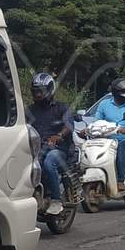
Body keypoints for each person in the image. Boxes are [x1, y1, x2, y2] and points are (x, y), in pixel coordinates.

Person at [26, 71, 74, 216]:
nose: (38, 95)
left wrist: (58, 135)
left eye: (41, 91)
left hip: (59, 149)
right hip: (36, 148)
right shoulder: (30, 110)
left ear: (50, 90)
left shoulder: (61, 108)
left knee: (48, 162)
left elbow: (69, 125)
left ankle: (56, 200)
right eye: (35, 92)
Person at [91, 76, 125, 185]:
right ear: (115, 92)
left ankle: (120, 180)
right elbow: (97, 120)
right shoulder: (104, 104)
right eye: (123, 91)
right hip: (107, 140)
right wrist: (89, 128)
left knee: (122, 147)